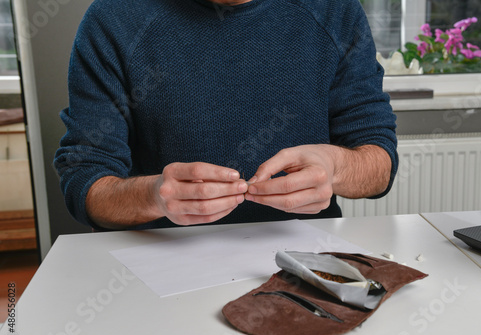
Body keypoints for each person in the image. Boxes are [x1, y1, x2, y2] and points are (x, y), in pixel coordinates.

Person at [54, 0, 397, 231]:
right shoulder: (113, 18)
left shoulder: (336, 10)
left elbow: (379, 161)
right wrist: (153, 195)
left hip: (303, 263)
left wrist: (335, 168)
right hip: (164, 265)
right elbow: (85, 180)